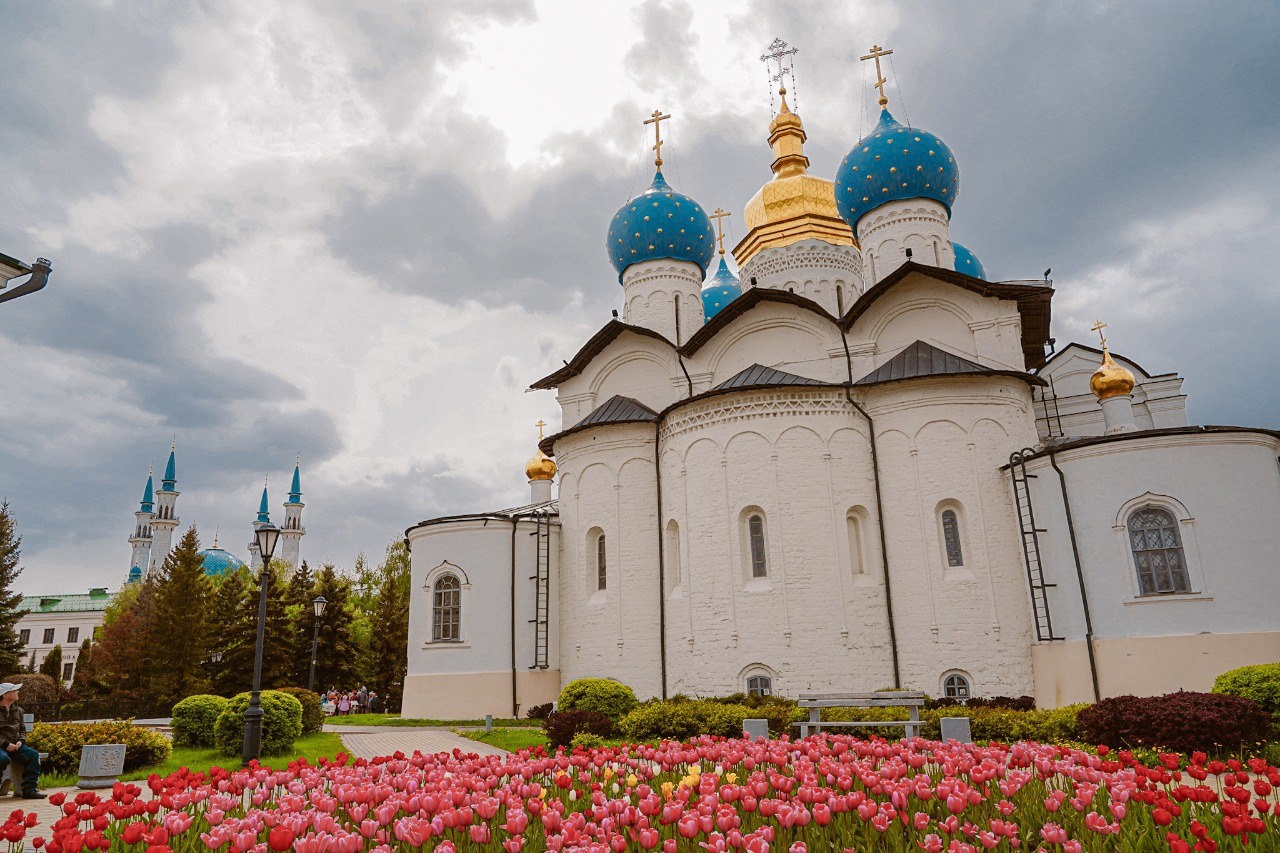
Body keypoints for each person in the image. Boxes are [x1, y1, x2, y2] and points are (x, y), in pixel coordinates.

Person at [0, 683, 42, 799]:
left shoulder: (18, 710)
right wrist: (5, 744)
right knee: (2, 758)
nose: (18, 692)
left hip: (15, 746)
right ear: (6, 695)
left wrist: (21, 741)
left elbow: (22, 729)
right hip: (1, 746)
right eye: (15, 690)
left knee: (33, 755)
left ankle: (29, 790)